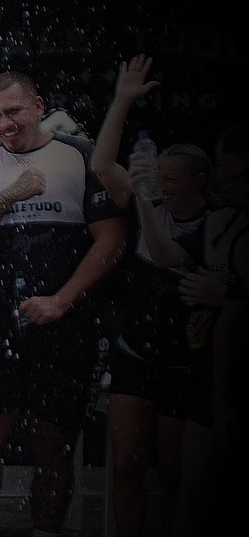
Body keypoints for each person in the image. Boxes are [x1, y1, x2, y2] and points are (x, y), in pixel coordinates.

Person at [0, 71, 126, 537]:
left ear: (38, 105)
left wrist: (62, 302)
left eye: (13, 112)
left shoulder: (80, 156)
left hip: (64, 326)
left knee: (54, 447)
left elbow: (112, 240)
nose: (5, 124)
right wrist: (10, 196)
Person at [91, 55, 212, 537]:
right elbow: (102, 165)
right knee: (126, 465)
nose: (159, 179)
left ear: (199, 182)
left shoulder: (216, 223)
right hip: (135, 349)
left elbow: (165, 256)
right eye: (156, 172)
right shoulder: (149, 197)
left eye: (170, 175)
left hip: (185, 359)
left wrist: (142, 196)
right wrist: (121, 100)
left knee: (177, 473)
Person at [131, 121, 248, 535]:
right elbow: (165, 256)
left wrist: (231, 297)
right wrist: (145, 197)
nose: (230, 181)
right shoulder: (219, 223)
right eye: (225, 171)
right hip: (214, 378)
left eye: (240, 174)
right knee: (192, 488)